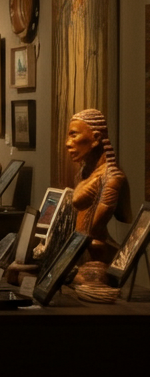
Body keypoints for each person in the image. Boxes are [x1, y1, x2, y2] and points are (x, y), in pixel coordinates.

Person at [65, 108, 131, 263]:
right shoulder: (83, 173)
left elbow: (94, 230)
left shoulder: (112, 178)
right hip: (80, 252)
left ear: (95, 138)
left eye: (74, 135)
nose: (68, 143)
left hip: (98, 259)